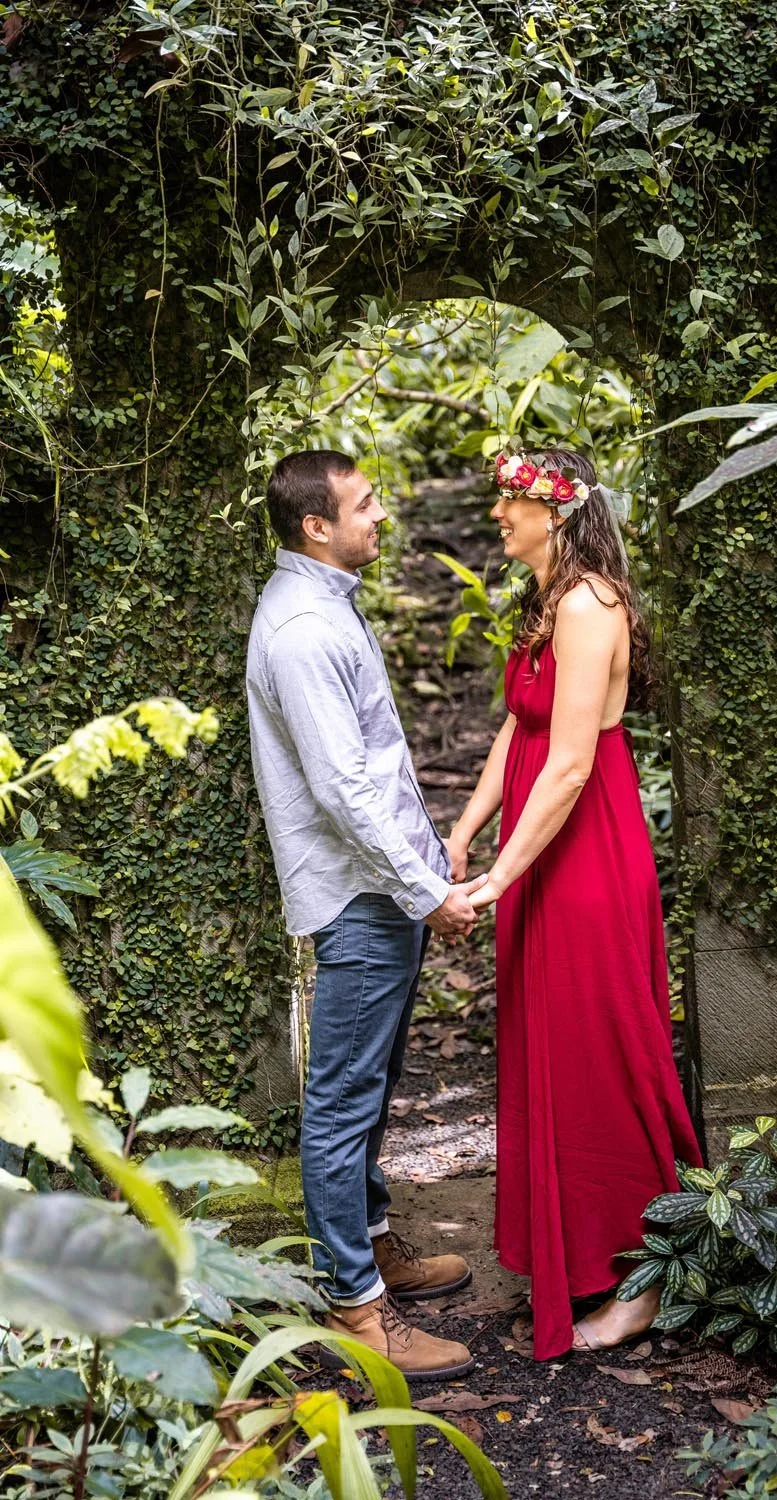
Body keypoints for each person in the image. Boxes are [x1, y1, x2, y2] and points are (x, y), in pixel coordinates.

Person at [446, 448, 703, 1360]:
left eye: (509, 502)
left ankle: (644, 1280)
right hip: (538, 849)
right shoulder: (547, 600)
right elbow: (519, 726)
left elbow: (570, 765)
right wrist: (465, 832)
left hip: (583, 853)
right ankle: (581, 1256)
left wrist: (500, 876)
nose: (499, 516)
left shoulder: (590, 604)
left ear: (553, 511)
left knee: (601, 1050)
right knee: (552, 1049)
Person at [246, 448, 486, 1381]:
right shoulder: (305, 628)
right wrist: (426, 892)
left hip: (380, 887)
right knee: (344, 1102)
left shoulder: (325, 603)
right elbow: (344, 789)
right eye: (365, 503)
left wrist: (426, 861)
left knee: (371, 1085)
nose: (381, 515)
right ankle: (357, 1306)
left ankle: (374, 1246)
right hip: (360, 898)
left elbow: (372, 768)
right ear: (317, 526)